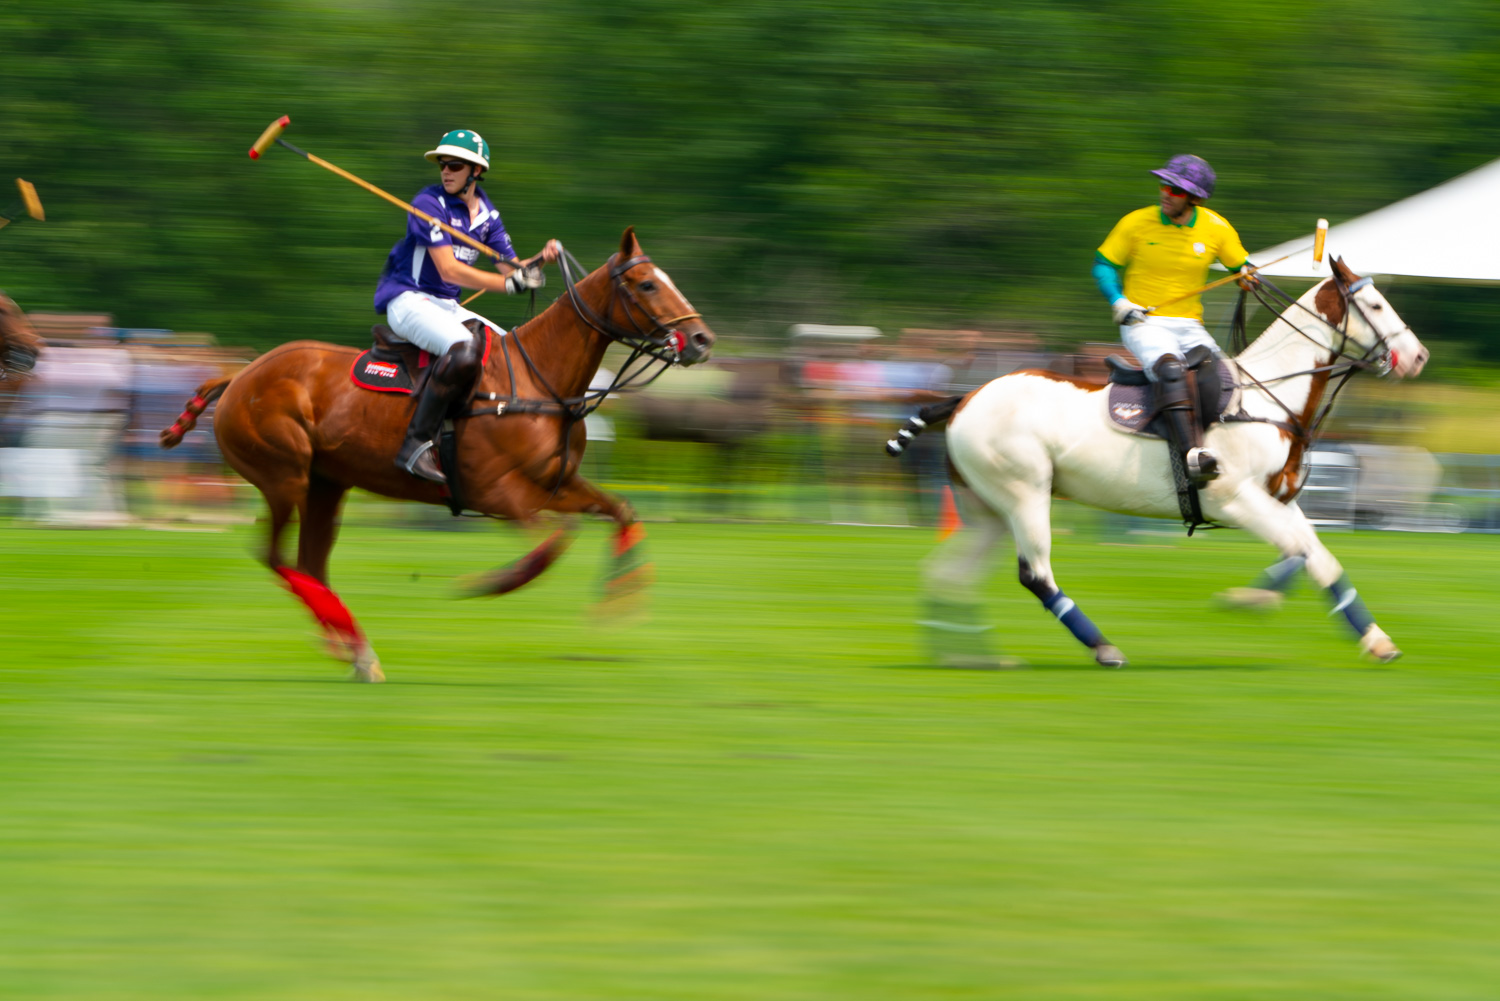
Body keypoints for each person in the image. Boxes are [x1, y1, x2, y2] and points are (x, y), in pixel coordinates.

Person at [374, 128, 560, 483]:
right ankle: (415, 444)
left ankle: (494, 441)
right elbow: (449, 268)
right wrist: (509, 284)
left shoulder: (487, 214)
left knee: (512, 354)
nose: (446, 171)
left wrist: (541, 260)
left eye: (455, 165)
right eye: (443, 164)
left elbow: (511, 267)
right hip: (408, 299)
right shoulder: (428, 204)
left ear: (475, 171)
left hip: (445, 305)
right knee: (463, 349)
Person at [1093, 154, 1250, 483]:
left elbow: (1240, 266)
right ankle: (1190, 455)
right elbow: (1103, 263)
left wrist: (1246, 275)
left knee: (1225, 378)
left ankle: (1231, 449)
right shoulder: (1136, 222)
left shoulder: (1216, 228)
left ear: (1194, 198)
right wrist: (1119, 301)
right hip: (1143, 321)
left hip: (1191, 326)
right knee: (1171, 367)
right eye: (1164, 185)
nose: (1165, 193)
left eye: (1175, 190)